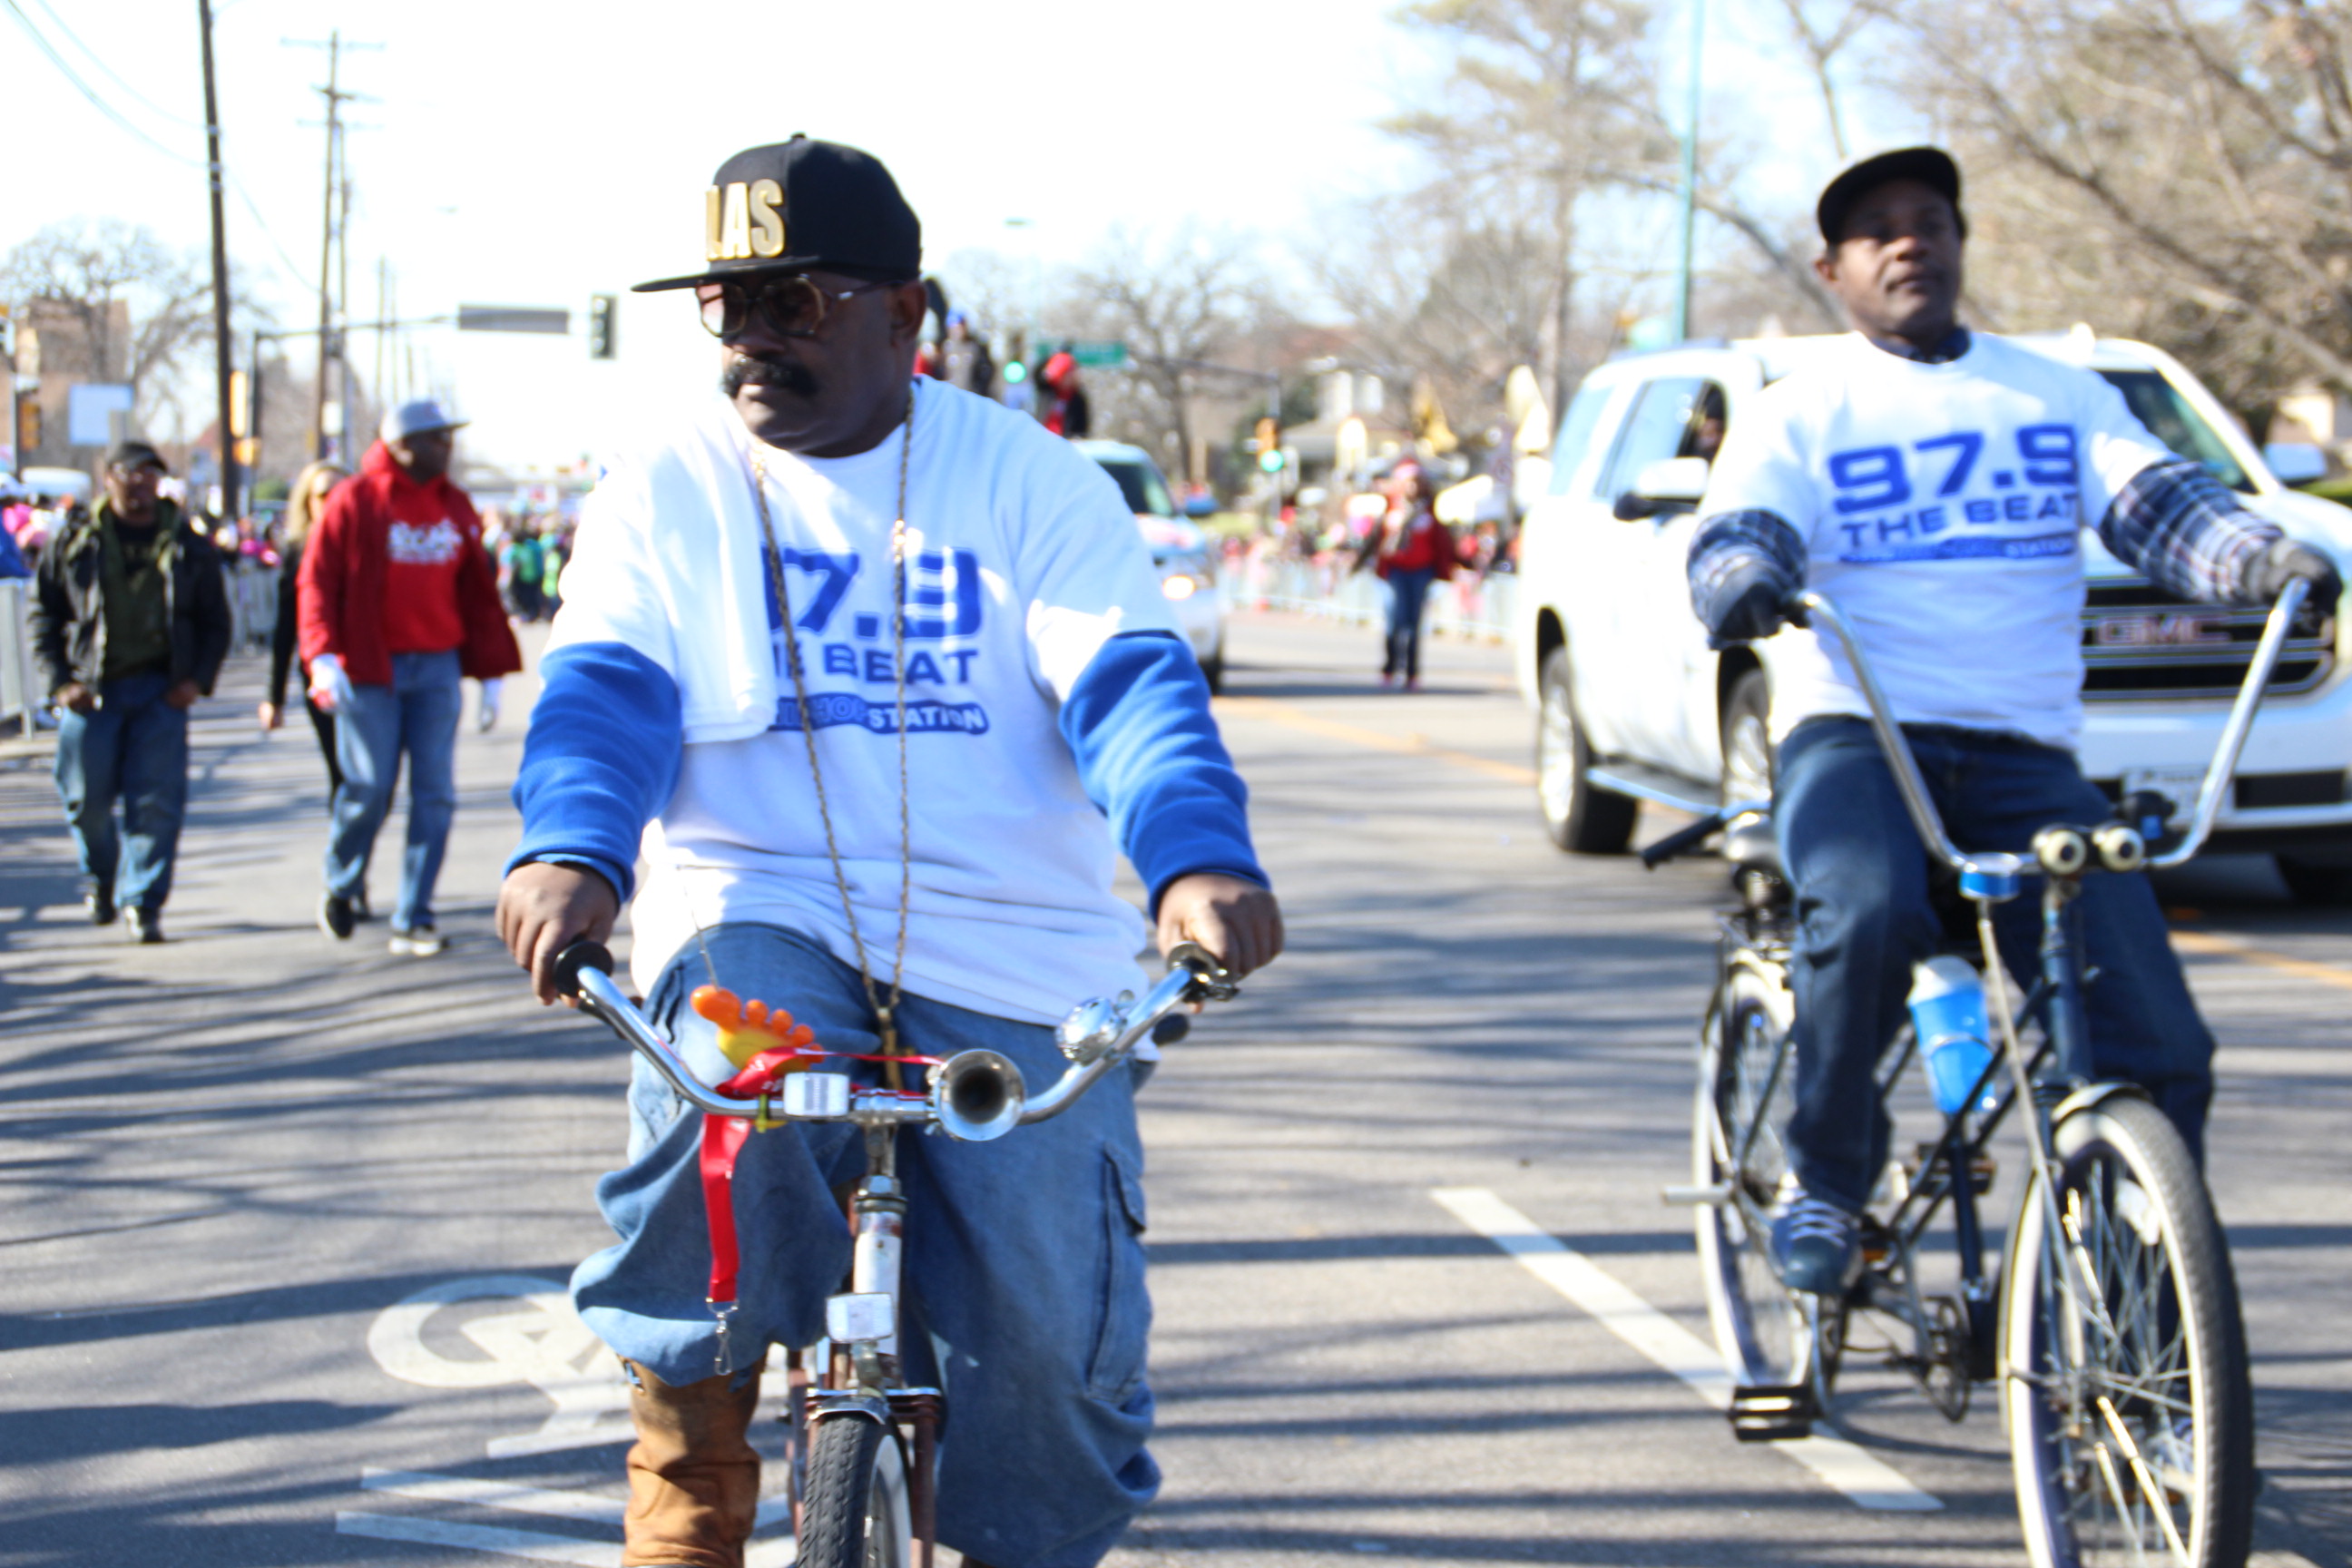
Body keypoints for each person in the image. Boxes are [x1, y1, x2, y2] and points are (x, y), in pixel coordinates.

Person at [495, 134, 1282, 1568]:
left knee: (1055, 1360)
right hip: (762, 912)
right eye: (727, 304)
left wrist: (1192, 862)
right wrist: (574, 853)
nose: (750, 338)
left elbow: (1135, 694)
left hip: (1016, 953)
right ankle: (688, 1502)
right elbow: (602, 698)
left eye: (795, 303)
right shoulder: (664, 488)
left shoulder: (1032, 484)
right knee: (721, 1102)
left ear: (907, 314)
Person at [1685, 147, 2342, 1293]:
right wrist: (1740, 576)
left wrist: (2272, 561)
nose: (1909, 241)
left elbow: (2172, 513)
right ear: (1831, 269)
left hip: (2024, 758)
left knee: (2161, 1044)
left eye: (1929, 219)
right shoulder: (1804, 411)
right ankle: (1828, 1182)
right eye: (1877, 229)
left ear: (1958, 243)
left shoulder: (2056, 396)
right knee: (1871, 906)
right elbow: (1742, 532)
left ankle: (2138, 1302)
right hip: (1859, 737)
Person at [299, 399, 521, 956]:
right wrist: (322, 655)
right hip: (371, 667)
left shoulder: (455, 505)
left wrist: (490, 674)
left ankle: (413, 914)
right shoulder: (355, 499)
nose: (447, 447)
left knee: (435, 795)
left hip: (436, 666)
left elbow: (477, 593)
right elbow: (316, 581)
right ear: (403, 445)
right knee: (370, 786)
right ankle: (342, 881)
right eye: (436, 438)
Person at [30, 441, 231, 943]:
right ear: (108, 476)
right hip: (91, 693)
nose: (140, 482)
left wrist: (195, 681)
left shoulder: (187, 543)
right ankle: (102, 875)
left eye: (149, 474)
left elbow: (215, 622)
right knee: (85, 800)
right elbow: (44, 616)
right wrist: (60, 682)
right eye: (129, 472)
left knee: (156, 802)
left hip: (160, 693)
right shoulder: (76, 539)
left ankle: (143, 901)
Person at [262, 462, 354, 825]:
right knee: (342, 769)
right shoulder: (299, 551)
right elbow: (285, 628)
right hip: (321, 673)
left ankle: (349, 848)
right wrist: (275, 697)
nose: (331, 501)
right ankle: (345, 862)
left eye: (339, 492)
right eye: (321, 494)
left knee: (373, 778)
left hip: (368, 669)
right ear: (307, 502)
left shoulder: (367, 545)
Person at [1372, 462, 1456, 690]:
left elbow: (1444, 543)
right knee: (1395, 621)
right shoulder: (1391, 510)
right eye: (1409, 482)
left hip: (1421, 571)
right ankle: (1390, 668)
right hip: (1395, 571)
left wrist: (1457, 564)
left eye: (1417, 482)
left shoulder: (1429, 512)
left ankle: (1412, 673)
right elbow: (1374, 541)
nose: (1413, 487)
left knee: (1414, 623)